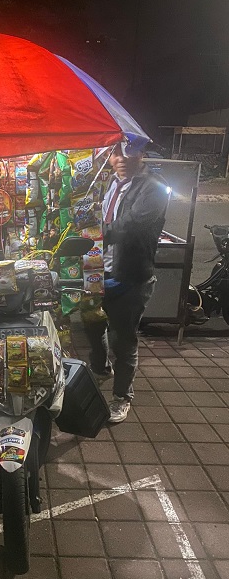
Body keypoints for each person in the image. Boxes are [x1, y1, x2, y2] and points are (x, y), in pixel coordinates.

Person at [84, 142, 170, 423]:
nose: (121, 158)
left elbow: (129, 226)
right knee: (92, 323)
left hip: (131, 276)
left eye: (129, 150)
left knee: (123, 340)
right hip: (100, 271)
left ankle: (122, 396)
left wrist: (90, 233)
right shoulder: (111, 183)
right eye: (115, 152)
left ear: (141, 153)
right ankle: (101, 369)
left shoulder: (154, 188)